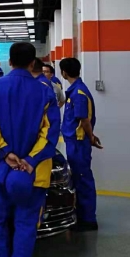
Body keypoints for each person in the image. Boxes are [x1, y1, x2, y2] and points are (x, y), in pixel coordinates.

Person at [0, 42, 60, 257]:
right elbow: (50, 133)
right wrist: (30, 160)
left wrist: (6, 152)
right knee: (27, 225)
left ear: (10, 62)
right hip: (33, 174)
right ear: (33, 63)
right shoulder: (46, 93)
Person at [59, 57, 102, 231]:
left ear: (64, 73)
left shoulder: (79, 93)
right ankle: (82, 215)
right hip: (74, 142)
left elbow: (84, 120)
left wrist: (91, 137)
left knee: (83, 179)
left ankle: (89, 220)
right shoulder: (75, 90)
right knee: (78, 178)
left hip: (78, 143)